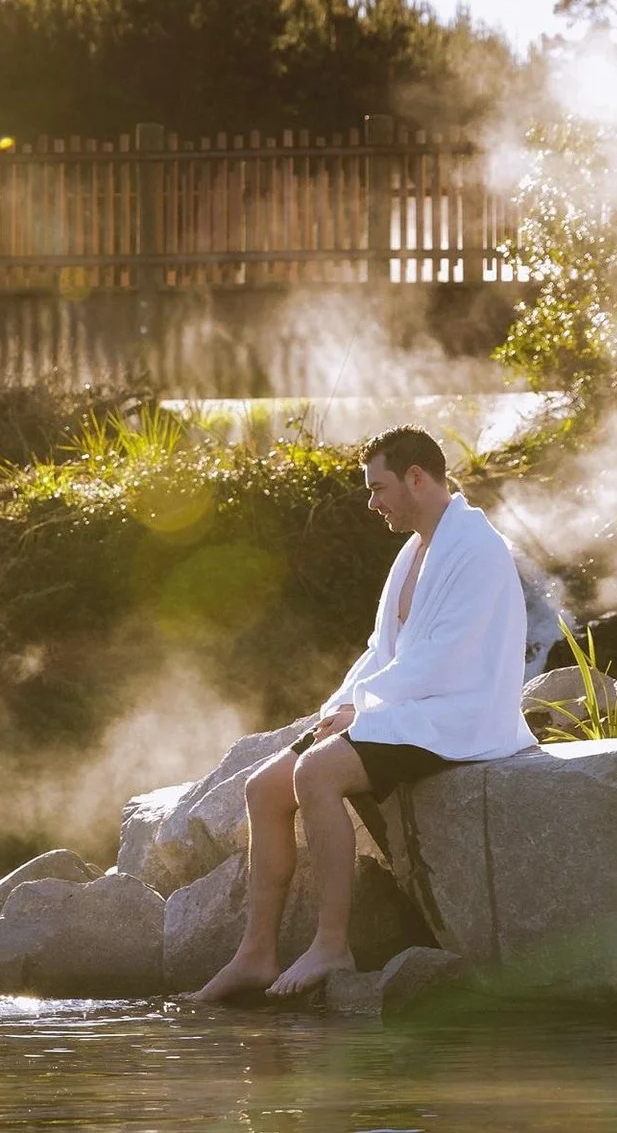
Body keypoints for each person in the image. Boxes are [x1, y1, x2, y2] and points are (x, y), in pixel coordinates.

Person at [193, 425, 535, 1001]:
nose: (372, 502)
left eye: (379, 488)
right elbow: (383, 649)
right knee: (263, 788)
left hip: (457, 714)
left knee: (316, 773)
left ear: (417, 478)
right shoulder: (414, 551)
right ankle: (255, 954)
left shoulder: (476, 549)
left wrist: (365, 709)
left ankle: (333, 943)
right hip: (408, 706)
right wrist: (344, 706)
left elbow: (446, 659)